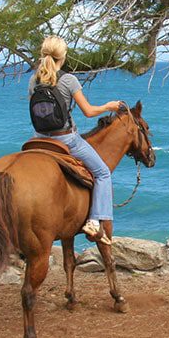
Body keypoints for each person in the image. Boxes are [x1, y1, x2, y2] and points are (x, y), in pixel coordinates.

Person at [28, 35, 123, 244]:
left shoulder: (33, 80)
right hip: (66, 140)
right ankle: (94, 221)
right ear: (63, 56)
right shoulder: (69, 80)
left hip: (39, 139)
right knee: (103, 173)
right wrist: (109, 106)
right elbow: (89, 112)